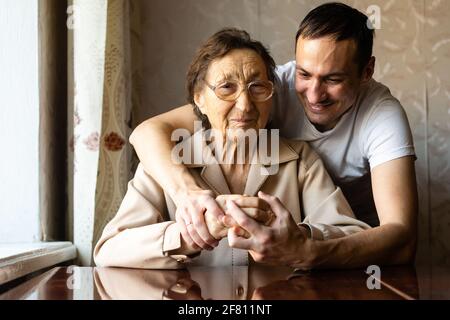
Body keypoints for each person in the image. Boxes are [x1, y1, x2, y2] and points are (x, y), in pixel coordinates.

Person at [128, 2, 418, 269]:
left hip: (357, 248)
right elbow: (147, 132)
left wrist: (305, 247)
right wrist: (188, 203)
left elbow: (401, 238)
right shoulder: (269, 87)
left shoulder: (380, 118)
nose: (314, 95)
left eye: (333, 79)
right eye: (304, 74)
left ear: (366, 72)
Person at [93, 28, 369, 270]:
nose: (245, 105)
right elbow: (108, 251)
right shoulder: (166, 162)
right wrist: (187, 235)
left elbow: (352, 236)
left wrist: (298, 237)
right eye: (227, 88)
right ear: (198, 99)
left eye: (257, 87)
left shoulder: (300, 161)